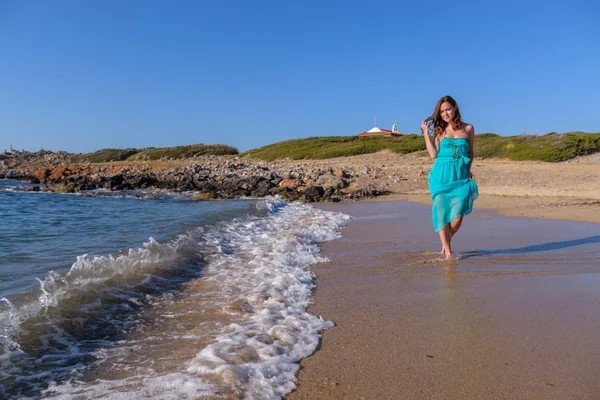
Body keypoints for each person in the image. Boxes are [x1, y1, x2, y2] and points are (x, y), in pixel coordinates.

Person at [421, 95, 478, 259]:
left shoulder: (468, 129)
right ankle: (448, 252)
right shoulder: (440, 130)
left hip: (459, 175)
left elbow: (471, 152)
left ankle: (445, 242)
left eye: (448, 109)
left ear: (455, 108)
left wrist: (468, 169)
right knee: (441, 212)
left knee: (457, 217)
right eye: (442, 111)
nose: (445, 113)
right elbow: (433, 155)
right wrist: (426, 132)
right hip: (441, 175)